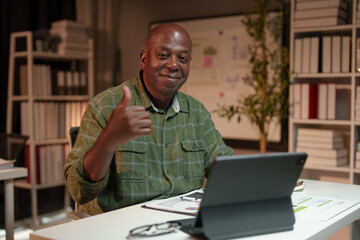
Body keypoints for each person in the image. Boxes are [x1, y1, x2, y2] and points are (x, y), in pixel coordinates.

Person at [64, 23, 233, 215]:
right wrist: (108, 139)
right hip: (120, 226)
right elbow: (78, 190)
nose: (174, 65)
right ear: (144, 59)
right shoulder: (104, 106)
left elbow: (226, 170)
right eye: (163, 55)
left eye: (183, 58)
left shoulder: (196, 112)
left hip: (180, 222)